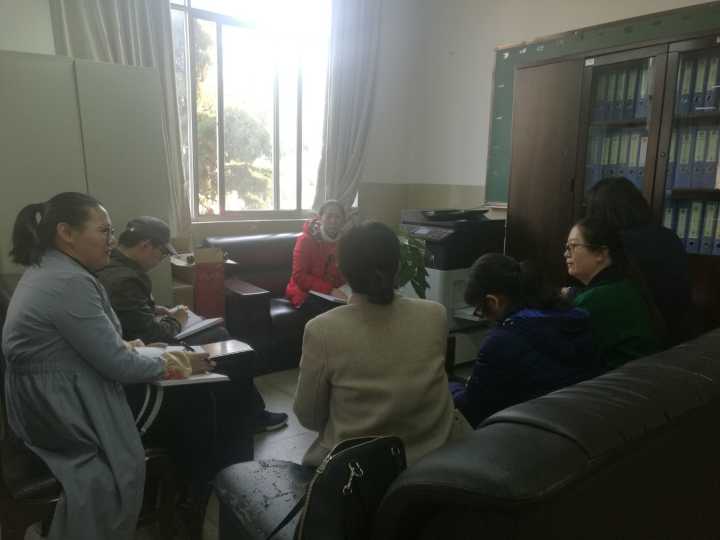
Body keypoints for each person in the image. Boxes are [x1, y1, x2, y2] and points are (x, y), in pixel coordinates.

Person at [1, 193, 210, 540]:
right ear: (67, 233)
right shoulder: (69, 282)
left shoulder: (51, 268)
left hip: (42, 400)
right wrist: (180, 362)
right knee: (198, 407)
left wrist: (149, 352)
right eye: (104, 231)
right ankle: (189, 507)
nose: (112, 241)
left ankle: (183, 502)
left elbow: (92, 346)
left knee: (190, 402)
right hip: (59, 411)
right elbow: (118, 365)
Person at [293, 222, 471, 467]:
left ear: (342, 270)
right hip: (438, 460)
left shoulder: (321, 329)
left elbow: (309, 416)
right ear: (398, 266)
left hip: (361, 469)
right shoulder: (435, 314)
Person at [96, 216, 288, 432]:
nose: (161, 259)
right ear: (146, 245)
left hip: (130, 342)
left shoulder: (112, 264)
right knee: (224, 342)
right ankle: (251, 416)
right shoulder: (125, 280)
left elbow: (128, 312)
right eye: (162, 253)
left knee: (217, 334)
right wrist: (176, 320)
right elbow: (154, 336)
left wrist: (152, 309)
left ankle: (239, 410)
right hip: (143, 351)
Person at [451, 253, 600, 428]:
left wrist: (448, 388)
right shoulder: (574, 320)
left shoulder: (502, 342)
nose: (483, 316)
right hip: (579, 423)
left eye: (480, 310)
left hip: (527, 432)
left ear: (493, 301)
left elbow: (472, 411)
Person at [584, 177, 693, 346]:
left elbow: (602, 298)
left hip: (639, 336)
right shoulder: (669, 236)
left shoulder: (617, 244)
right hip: (677, 334)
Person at [564, 217, 660, 370]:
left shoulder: (591, 302)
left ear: (600, 253)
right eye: (567, 247)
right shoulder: (626, 285)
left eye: (573, 246)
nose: (566, 254)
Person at [286, 200, 347, 309]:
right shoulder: (306, 240)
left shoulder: (346, 241)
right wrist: (330, 290)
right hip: (304, 293)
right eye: (329, 216)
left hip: (336, 293)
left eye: (337, 217)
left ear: (343, 220)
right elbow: (299, 276)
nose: (333, 221)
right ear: (320, 218)